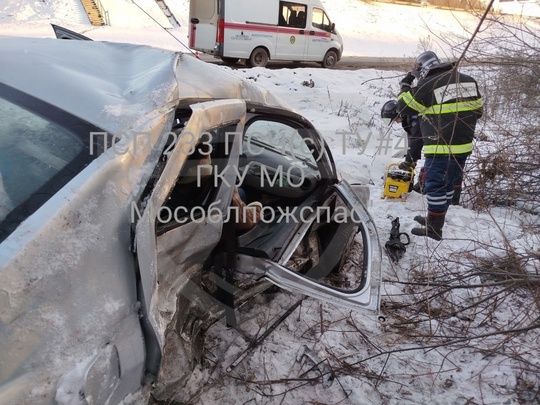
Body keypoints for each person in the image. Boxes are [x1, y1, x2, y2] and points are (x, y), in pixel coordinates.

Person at [396, 51, 483, 240]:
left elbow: (404, 107)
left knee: (435, 185)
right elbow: (478, 110)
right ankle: (435, 218)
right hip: (464, 145)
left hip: (441, 146)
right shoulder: (468, 80)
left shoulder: (429, 85)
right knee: (449, 182)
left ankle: (435, 229)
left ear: (424, 68)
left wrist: (405, 85)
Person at [380, 99, 424, 192]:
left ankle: (425, 187)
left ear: (399, 113)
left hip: (439, 140)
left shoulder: (414, 117)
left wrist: (408, 161)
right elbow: (412, 142)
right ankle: (421, 186)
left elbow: (416, 139)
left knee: (433, 163)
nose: (396, 121)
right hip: (428, 140)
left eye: (395, 119)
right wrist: (412, 160)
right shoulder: (407, 120)